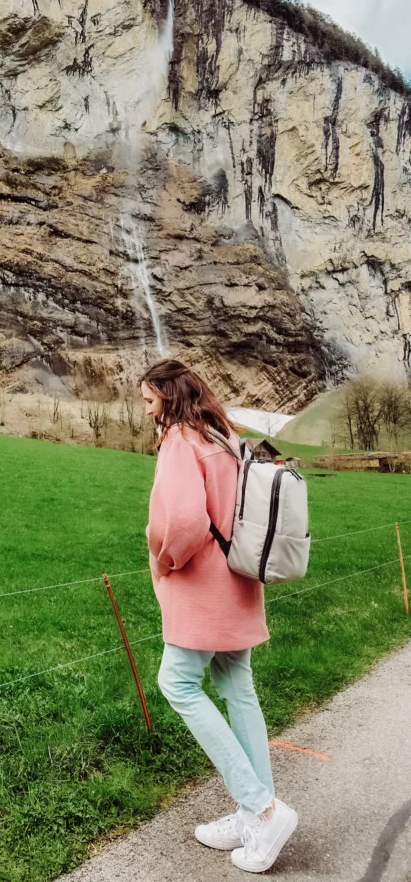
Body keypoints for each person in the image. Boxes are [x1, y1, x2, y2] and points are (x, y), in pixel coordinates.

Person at [141, 358, 298, 873]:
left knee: (178, 682)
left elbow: (184, 520)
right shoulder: (224, 434)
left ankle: (260, 807)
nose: (146, 413)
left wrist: (166, 563)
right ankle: (255, 813)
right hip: (238, 579)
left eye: (149, 401)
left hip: (202, 583)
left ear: (169, 397)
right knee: (236, 685)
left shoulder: (182, 440)